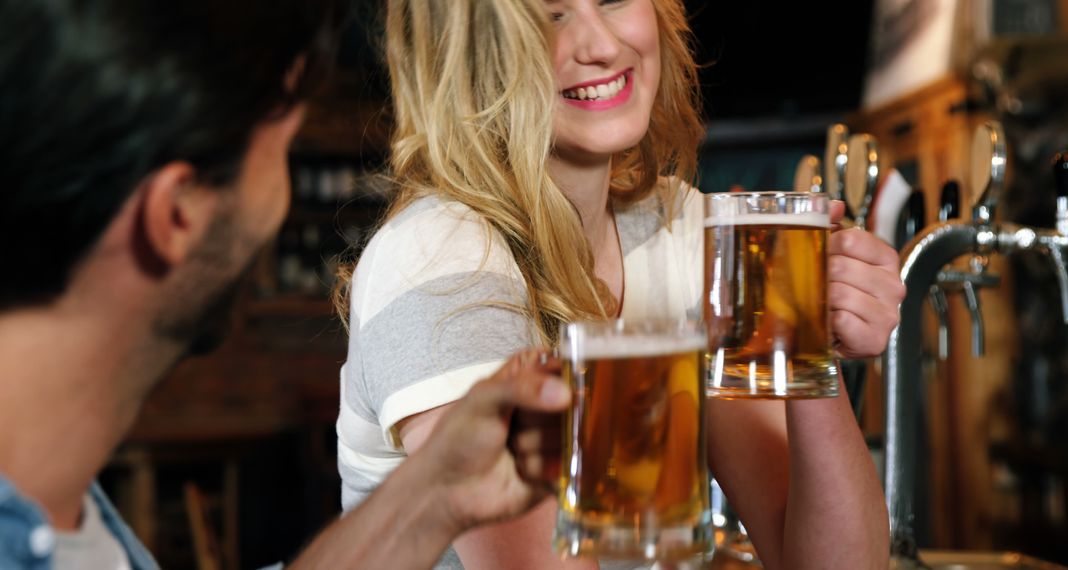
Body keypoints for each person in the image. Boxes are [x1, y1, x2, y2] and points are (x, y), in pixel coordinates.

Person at [335, 0, 906, 568]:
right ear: (469, 55)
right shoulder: (440, 262)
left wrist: (806, 343)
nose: (601, 45)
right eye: (550, 16)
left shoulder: (674, 230)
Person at [0, 1, 569, 568]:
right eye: (280, 153)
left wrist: (431, 493)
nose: (284, 198)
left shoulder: (66, 509)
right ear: (176, 215)